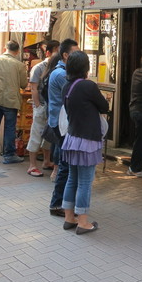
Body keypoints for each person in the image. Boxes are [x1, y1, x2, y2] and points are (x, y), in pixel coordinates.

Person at [60, 51, 109, 234]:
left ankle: (68, 218)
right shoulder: (88, 86)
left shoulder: (67, 86)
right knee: (85, 182)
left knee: (72, 179)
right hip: (87, 140)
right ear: (86, 67)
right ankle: (83, 222)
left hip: (72, 138)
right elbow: (104, 106)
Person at [48, 39, 80, 217]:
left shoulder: (61, 72)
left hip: (60, 123)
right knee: (65, 165)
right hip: (62, 125)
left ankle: (61, 202)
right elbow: (75, 95)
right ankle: (57, 204)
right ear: (66, 55)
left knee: (65, 164)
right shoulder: (61, 75)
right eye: (75, 54)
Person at [26, 40, 59, 177]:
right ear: (48, 52)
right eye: (56, 51)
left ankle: (46, 161)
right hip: (42, 105)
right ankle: (32, 165)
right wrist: (38, 106)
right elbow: (33, 88)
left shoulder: (58, 67)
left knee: (49, 135)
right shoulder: (39, 67)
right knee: (37, 134)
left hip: (52, 107)